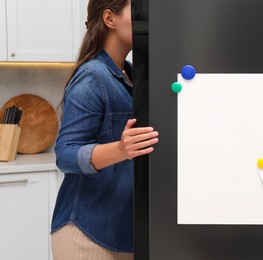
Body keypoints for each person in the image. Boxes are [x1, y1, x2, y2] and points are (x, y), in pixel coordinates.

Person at [50, 0, 158, 259]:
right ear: (110, 18)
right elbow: (65, 154)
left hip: (123, 234)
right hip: (87, 234)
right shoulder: (93, 76)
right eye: (138, 10)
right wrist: (121, 149)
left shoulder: (132, 76)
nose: (147, 19)